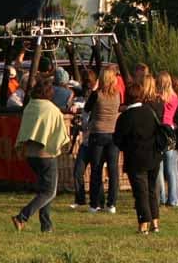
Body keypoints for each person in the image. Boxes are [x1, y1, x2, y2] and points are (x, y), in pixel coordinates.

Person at [12, 76, 71, 233]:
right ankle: (22, 217)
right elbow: (60, 133)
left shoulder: (30, 107)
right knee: (49, 192)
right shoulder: (52, 109)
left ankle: (46, 225)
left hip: (31, 155)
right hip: (46, 154)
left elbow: (24, 130)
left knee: (43, 191)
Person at [113, 81, 162, 234]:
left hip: (136, 159)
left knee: (140, 192)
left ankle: (143, 224)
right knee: (152, 190)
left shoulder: (125, 117)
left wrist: (127, 147)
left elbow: (117, 140)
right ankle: (155, 223)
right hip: (154, 156)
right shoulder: (150, 111)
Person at [85, 66, 121, 213]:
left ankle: (95, 203)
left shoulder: (96, 94)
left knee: (96, 169)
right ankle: (111, 203)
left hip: (98, 133)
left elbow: (86, 111)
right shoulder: (117, 94)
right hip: (113, 134)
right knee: (113, 170)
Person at [69, 69, 97, 209]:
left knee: (95, 172)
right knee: (78, 171)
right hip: (86, 142)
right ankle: (80, 199)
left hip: (94, 141)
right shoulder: (82, 98)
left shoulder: (96, 98)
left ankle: (97, 201)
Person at [156, 71, 178, 208]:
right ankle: (173, 198)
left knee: (159, 167)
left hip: (160, 130)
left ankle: (162, 196)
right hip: (170, 130)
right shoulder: (175, 97)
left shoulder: (158, 98)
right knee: (171, 168)